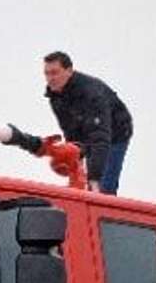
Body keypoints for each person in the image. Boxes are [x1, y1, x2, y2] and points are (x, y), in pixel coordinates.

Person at [30, 51, 135, 195]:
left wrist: (94, 177)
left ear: (69, 71)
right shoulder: (55, 96)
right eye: (47, 74)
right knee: (83, 180)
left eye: (54, 73)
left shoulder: (91, 94)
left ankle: (104, 200)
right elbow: (70, 131)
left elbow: (100, 137)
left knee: (103, 185)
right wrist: (73, 158)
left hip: (114, 133)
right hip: (87, 131)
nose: (50, 78)